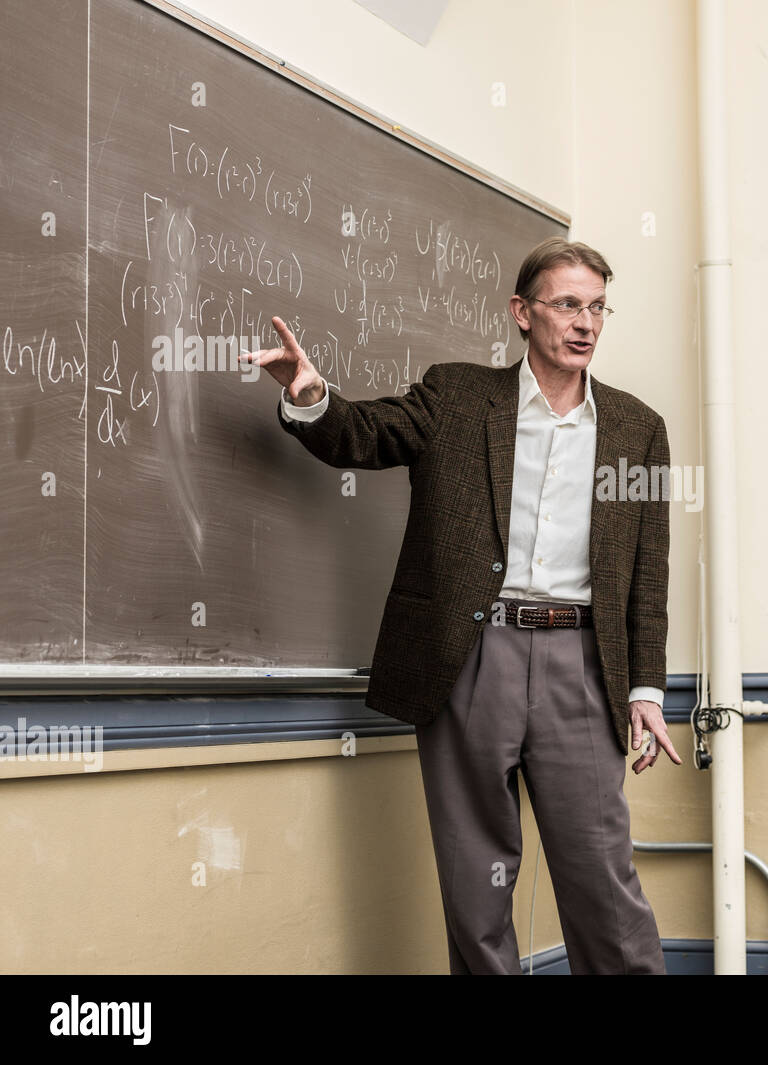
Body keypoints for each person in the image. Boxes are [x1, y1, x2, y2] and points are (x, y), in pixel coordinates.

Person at [242, 238, 679, 974]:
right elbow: (368, 435)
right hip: (472, 658)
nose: (586, 323)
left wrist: (646, 686)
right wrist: (311, 395)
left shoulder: (639, 430)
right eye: (568, 303)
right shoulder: (457, 396)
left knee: (602, 880)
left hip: (582, 664)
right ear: (522, 311)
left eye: (597, 306)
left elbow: (648, 571)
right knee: (477, 886)